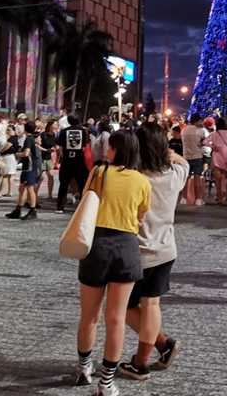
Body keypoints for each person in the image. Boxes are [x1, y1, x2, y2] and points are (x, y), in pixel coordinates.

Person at [74, 131, 151, 394]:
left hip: (97, 244)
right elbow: (141, 216)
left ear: (117, 149)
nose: (106, 150)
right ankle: (106, 383)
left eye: (110, 147)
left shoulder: (99, 173)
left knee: (89, 315)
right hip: (126, 247)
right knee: (116, 318)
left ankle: (85, 367)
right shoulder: (142, 181)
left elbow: (86, 202)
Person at [118, 123, 189, 381]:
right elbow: (184, 163)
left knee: (123, 307)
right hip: (166, 249)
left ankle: (151, 353)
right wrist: (170, 153)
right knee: (151, 304)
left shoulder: (134, 178)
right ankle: (149, 354)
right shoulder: (174, 174)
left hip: (136, 251)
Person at [6, 121, 41, 221]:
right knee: (22, 188)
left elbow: (26, 153)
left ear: (25, 129)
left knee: (30, 188)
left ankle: (33, 210)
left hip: (30, 167)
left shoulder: (29, 139)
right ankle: (18, 209)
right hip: (27, 167)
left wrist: (17, 154)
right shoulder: (30, 139)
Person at [57, 115, 90, 213]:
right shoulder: (84, 131)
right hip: (79, 160)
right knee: (82, 184)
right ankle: (83, 206)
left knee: (64, 184)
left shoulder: (64, 131)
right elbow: (86, 145)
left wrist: (63, 158)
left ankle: (60, 207)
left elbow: (61, 147)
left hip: (67, 160)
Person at [206, 117, 227, 205]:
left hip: (217, 155)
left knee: (218, 178)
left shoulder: (215, 134)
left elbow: (204, 142)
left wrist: (213, 146)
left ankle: (219, 197)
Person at [180, 115, 207, 206]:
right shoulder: (200, 131)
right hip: (197, 156)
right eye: (201, 121)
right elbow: (204, 142)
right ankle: (198, 199)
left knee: (185, 178)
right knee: (197, 178)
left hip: (186, 156)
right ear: (197, 121)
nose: (202, 123)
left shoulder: (184, 130)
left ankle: (183, 198)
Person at [0, 124, 20, 197]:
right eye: (7, 130)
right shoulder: (12, 138)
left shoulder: (12, 138)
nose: (7, 131)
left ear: (14, 131)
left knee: (5, 175)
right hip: (9, 157)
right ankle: (9, 191)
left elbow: (7, 146)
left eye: (9, 130)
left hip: (8, 157)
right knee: (9, 176)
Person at [39, 121, 58, 201]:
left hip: (49, 158)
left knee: (50, 176)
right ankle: (33, 193)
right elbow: (38, 146)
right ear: (50, 126)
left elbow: (55, 145)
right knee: (40, 177)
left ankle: (50, 194)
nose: (56, 126)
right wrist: (46, 150)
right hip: (41, 158)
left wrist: (55, 148)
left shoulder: (54, 135)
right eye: (55, 124)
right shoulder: (43, 134)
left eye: (57, 125)